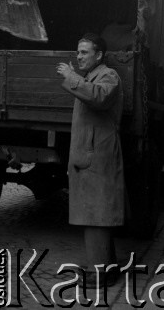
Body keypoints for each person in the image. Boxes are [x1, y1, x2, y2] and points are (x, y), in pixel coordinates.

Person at [56, 33, 124, 288]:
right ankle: (109, 268)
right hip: (91, 156)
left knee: (96, 215)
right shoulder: (91, 77)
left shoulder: (109, 76)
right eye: (78, 51)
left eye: (84, 52)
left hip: (98, 157)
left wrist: (72, 77)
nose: (79, 56)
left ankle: (99, 274)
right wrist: (78, 78)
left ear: (99, 55)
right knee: (96, 213)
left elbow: (99, 97)